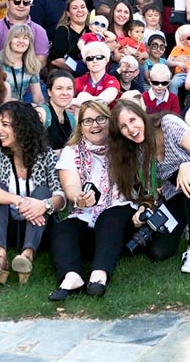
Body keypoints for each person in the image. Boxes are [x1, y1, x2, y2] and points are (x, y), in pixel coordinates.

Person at [112, 102, 190, 273]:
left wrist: (187, 166)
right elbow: (151, 189)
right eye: (123, 126)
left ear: (142, 115)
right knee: (158, 251)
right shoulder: (136, 151)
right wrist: (143, 207)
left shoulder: (168, 124)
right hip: (176, 191)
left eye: (133, 120)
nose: (131, 129)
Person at [50, 101, 134, 300]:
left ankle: (99, 275)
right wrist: (79, 197)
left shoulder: (124, 146)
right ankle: (72, 277)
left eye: (100, 119)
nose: (94, 125)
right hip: (86, 212)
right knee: (62, 229)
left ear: (110, 120)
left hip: (119, 209)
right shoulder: (72, 151)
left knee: (110, 216)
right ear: (80, 126)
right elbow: (70, 184)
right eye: (87, 121)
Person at [0, 103, 64, 285]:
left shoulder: (45, 154)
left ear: (23, 126)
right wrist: (19, 200)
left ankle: (27, 255)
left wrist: (43, 205)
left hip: (38, 226)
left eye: (5, 125)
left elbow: (61, 196)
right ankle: (0, 255)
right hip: (1, 226)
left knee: (42, 192)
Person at [0, 0, 50, 68]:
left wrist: (21, 73)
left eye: (26, 2)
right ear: (7, 4)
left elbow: (41, 60)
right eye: (17, 2)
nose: (21, 6)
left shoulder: (40, 31)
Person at [47, 0, 90, 76]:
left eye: (83, 7)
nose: (80, 10)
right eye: (75, 8)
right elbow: (56, 60)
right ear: (68, 13)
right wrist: (78, 70)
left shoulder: (92, 31)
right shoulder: (63, 30)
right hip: (68, 76)